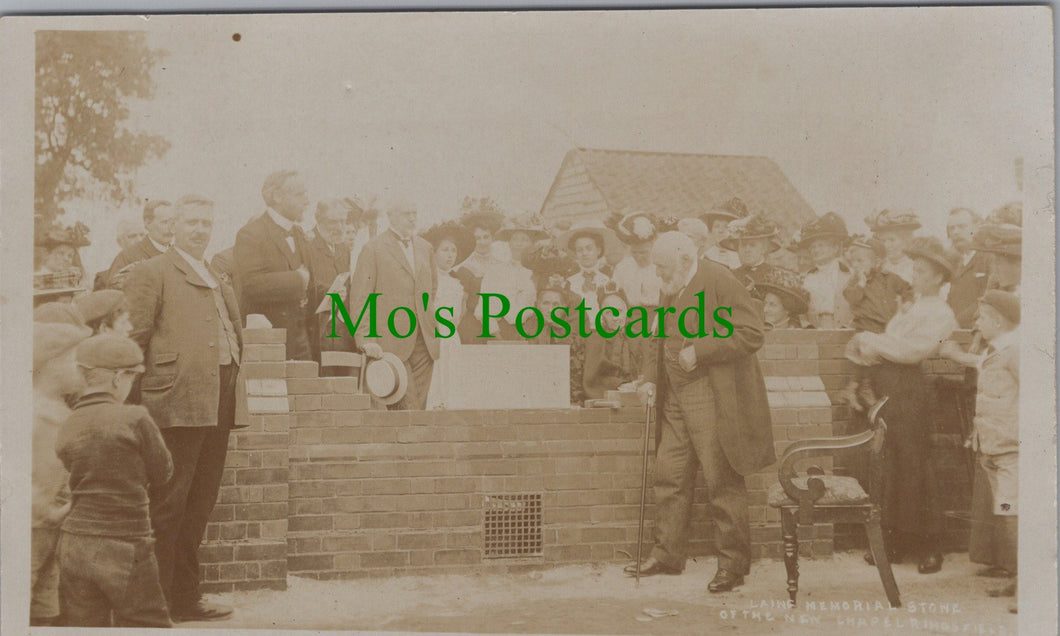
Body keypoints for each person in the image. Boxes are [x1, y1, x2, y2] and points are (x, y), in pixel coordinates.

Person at [622, 232, 773, 593]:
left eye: (664, 267)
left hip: (711, 396)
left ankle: (733, 566)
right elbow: (659, 336)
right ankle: (667, 555)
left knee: (721, 481)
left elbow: (752, 333)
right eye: (657, 267)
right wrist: (650, 378)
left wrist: (701, 351)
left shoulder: (719, 279)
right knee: (669, 474)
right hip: (675, 396)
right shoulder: (671, 283)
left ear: (687, 259)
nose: (659, 274)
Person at [124, 194, 241, 622]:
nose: (199, 229)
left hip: (219, 404)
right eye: (191, 222)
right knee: (168, 504)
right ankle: (149, 605)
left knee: (199, 503)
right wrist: (131, 409)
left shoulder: (213, 273)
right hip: (173, 403)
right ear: (174, 226)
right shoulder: (151, 271)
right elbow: (132, 342)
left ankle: (184, 598)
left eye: (206, 222)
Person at [847, 236, 958, 574]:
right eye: (914, 269)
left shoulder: (942, 313)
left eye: (922, 271)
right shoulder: (910, 307)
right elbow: (880, 347)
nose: (915, 275)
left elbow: (912, 351)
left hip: (910, 390)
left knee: (915, 463)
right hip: (889, 386)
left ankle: (930, 545)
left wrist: (872, 340)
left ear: (939, 277)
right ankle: (896, 541)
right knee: (890, 461)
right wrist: (876, 343)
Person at [55, 335, 173, 627]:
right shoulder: (134, 418)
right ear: (119, 378)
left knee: (84, 626)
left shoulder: (68, 422)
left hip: (74, 542)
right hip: (125, 541)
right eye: (131, 378)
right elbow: (164, 473)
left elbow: (69, 464)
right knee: (147, 623)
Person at [940, 291, 1019, 602]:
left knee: (1013, 512)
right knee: (1007, 511)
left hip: (1013, 447)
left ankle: (1030, 585)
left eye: (982, 318)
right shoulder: (998, 350)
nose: (977, 322)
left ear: (998, 320)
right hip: (995, 447)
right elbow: (984, 366)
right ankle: (1017, 577)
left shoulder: (1016, 351)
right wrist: (956, 355)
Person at [347, 202, 439, 410]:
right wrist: (365, 338)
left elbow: (432, 289)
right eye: (407, 213)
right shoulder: (373, 248)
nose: (412, 218)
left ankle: (414, 442)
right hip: (390, 342)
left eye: (415, 212)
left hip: (424, 342)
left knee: (419, 408)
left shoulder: (425, 248)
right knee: (408, 407)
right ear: (391, 215)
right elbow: (360, 297)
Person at [31, 322, 91, 626]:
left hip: (51, 527)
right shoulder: (36, 414)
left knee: (44, 609)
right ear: (53, 365)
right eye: (74, 360)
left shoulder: (61, 411)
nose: (81, 367)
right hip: (32, 529)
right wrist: (50, 511)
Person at [233, 170, 313, 361]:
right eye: (299, 194)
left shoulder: (299, 233)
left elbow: (309, 281)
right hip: (268, 346)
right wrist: (298, 279)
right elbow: (251, 284)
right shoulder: (251, 234)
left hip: (301, 343)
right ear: (277, 196)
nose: (307, 201)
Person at [838, 235, 912, 411]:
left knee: (875, 358)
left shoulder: (890, 278)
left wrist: (908, 301)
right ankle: (858, 388)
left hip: (885, 326)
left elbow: (908, 289)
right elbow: (851, 298)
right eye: (853, 261)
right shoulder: (855, 282)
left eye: (861, 260)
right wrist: (861, 284)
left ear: (877, 262)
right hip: (866, 325)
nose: (856, 265)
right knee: (865, 351)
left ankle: (859, 387)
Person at [422, 221, 473, 408]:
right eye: (445, 250)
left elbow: (457, 317)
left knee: (453, 379)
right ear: (433, 253)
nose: (450, 255)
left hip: (451, 337)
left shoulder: (456, 283)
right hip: (433, 336)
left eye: (453, 250)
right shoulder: (427, 279)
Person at [476, 214, 548, 340]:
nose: (519, 244)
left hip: (532, 333)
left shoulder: (539, 274)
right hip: (499, 332)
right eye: (515, 239)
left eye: (524, 240)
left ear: (532, 243)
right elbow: (485, 308)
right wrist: (497, 335)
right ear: (509, 243)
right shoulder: (495, 271)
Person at [305, 198, 355, 366]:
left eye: (343, 221)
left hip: (343, 330)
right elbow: (304, 286)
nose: (340, 227)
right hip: (317, 330)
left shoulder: (343, 248)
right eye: (334, 222)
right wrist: (328, 292)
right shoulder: (306, 246)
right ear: (318, 219)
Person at [581, 283, 644, 400]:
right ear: (602, 315)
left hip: (637, 395)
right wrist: (619, 384)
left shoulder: (640, 337)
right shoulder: (595, 339)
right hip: (607, 396)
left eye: (619, 310)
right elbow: (592, 378)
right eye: (608, 312)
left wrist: (639, 383)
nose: (615, 317)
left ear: (627, 311)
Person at [452, 210, 504, 343]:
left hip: (500, 321)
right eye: (477, 238)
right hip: (473, 326)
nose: (482, 242)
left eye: (486, 237)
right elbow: (461, 303)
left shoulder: (501, 265)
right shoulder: (464, 268)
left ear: (492, 238)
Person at [559, 221, 618, 332]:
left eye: (589, 248)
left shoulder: (609, 280)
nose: (584, 253)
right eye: (579, 250)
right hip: (576, 334)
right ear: (575, 253)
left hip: (603, 334)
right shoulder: (569, 282)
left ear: (598, 250)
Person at [103, 200, 175, 291]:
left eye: (173, 223)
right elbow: (114, 296)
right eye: (164, 222)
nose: (170, 229)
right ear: (147, 223)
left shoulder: (179, 255)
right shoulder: (127, 257)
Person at [799, 212, 853, 328]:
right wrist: (807, 326)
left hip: (845, 331)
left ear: (835, 248)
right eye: (813, 247)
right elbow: (801, 312)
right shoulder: (805, 278)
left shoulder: (850, 275)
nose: (816, 250)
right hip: (816, 333)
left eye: (821, 245)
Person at [945, 208, 991, 328]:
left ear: (976, 228)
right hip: (956, 331)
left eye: (962, 227)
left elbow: (987, 299)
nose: (955, 232)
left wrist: (956, 321)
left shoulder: (988, 258)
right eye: (952, 228)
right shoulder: (955, 263)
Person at [610, 212, 661, 310]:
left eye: (643, 252)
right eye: (634, 252)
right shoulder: (622, 268)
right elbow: (615, 295)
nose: (638, 257)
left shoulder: (662, 265)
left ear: (652, 246)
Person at [722, 214, 784, 292]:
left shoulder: (774, 276)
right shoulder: (731, 276)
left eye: (752, 245)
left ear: (764, 249)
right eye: (743, 245)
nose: (747, 250)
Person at [865, 209, 921, 284]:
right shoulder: (880, 266)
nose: (886, 245)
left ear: (906, 240)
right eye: (883, 241)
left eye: (892, 240)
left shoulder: (915, 269)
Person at [93, 219, 147, 290]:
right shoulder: (103, 279)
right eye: (132, 236)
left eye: (142, 235)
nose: (139, 240)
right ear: (120, 242)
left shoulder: (156, 260)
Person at [697, 198, 747, 269]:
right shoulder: (707, 254)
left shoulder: (739, 257)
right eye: (716, 226)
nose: (720, 230)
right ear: (711, 230)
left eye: (726, 226)